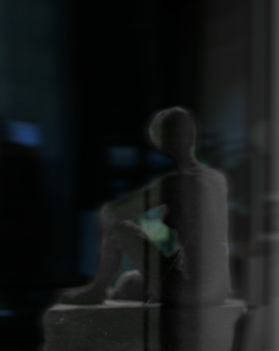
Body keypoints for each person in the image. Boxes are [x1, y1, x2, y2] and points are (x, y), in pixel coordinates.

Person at [61, 107, 230, 308]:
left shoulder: (175, 183)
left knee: (119, 232)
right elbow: (205, 240)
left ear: (161, 142)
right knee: (129, 281)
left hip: (192, 288)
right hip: (217, 287)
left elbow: (112, 214)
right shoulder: (216, 179)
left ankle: (96, 291)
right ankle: (109, 295)